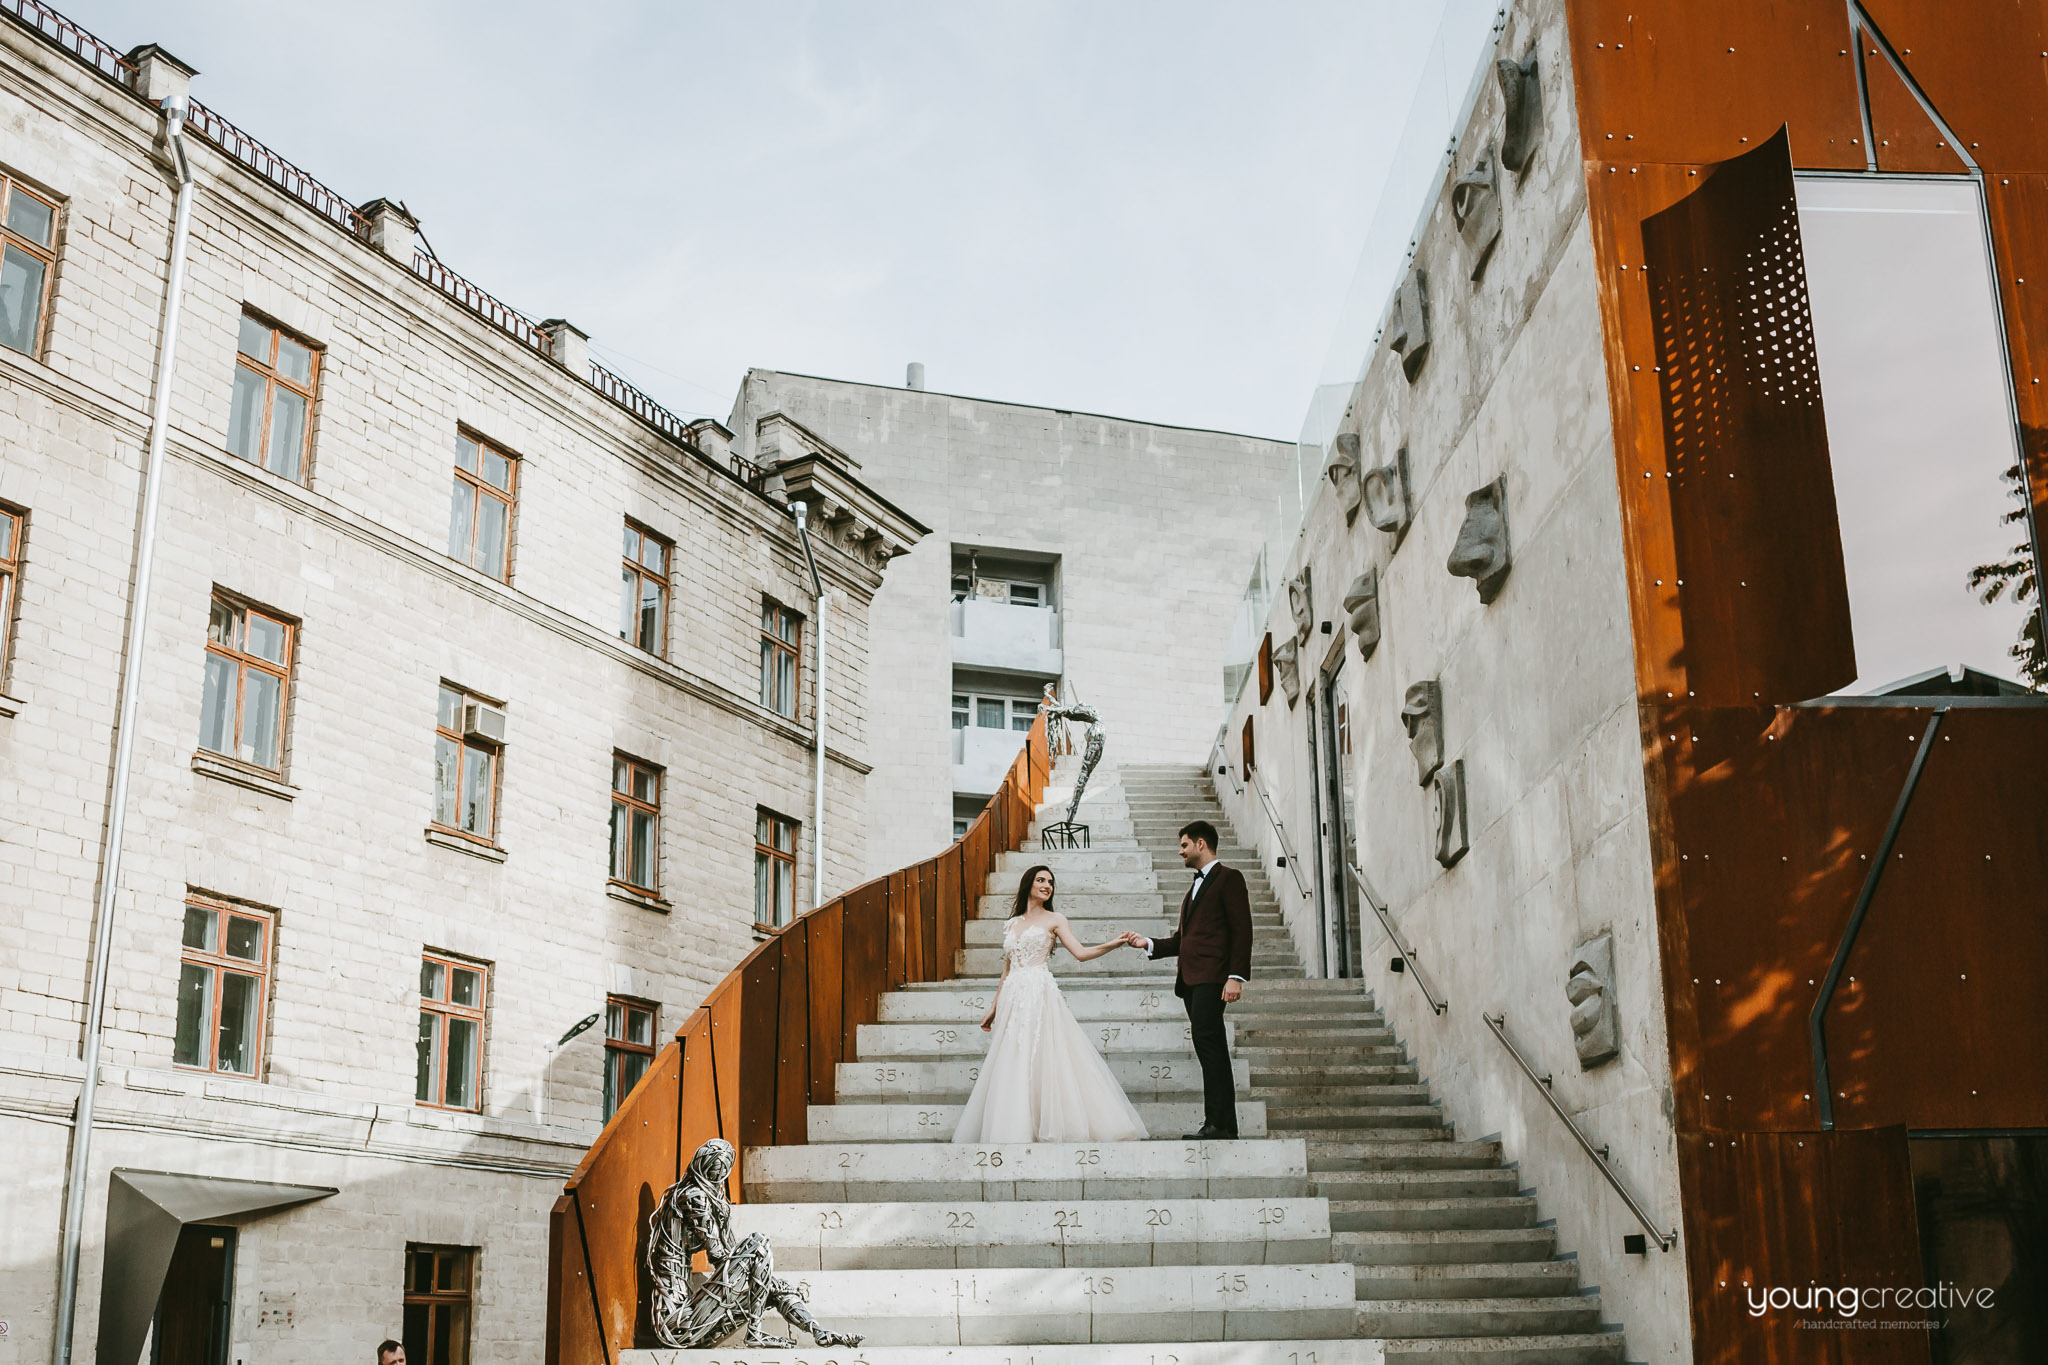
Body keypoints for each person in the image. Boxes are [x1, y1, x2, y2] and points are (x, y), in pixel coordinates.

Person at [951, 864, 1149, 1143]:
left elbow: (1080, 953)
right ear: (1028, 884)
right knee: (1013, 1056)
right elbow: (1007, 970)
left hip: (1038, 992)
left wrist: (1114, 944)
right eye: (1041, 880)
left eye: (1051, 882)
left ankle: (1048, 1124)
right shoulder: (1013, 923)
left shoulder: (1055, 919)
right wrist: (993, 1007)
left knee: (1041, 1054)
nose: (1047, 885)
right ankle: (1015, 1125)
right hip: (1013, 996)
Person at [646, 1138, 864, 1348]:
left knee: (766, 1279)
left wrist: (771, 1281)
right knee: (758, 1244)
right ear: (702, 1163)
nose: (719, 1178)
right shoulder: (692, 1197)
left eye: (722, 1173)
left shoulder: (708, 1198)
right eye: (716, 1172)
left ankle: (819, 1331)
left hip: (699, 1322)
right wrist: (770, 1280)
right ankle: (755, 1333)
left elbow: (732, 1257)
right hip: (676, 1322)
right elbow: (721, 1259)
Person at [1123, 820, 1252, 1140]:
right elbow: (1183, 939)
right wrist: (1148, 943)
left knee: (1212, 1051)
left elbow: (1242, 930)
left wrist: (1235, 977)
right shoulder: (1193, 889)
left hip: (1212, 979)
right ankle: (1223, 1125)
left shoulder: (1229, 878)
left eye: (1184, 845)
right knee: (1211, 1051)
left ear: (1200, 844)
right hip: (1192, 982)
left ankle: (1218, 1124)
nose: (1180, 851)